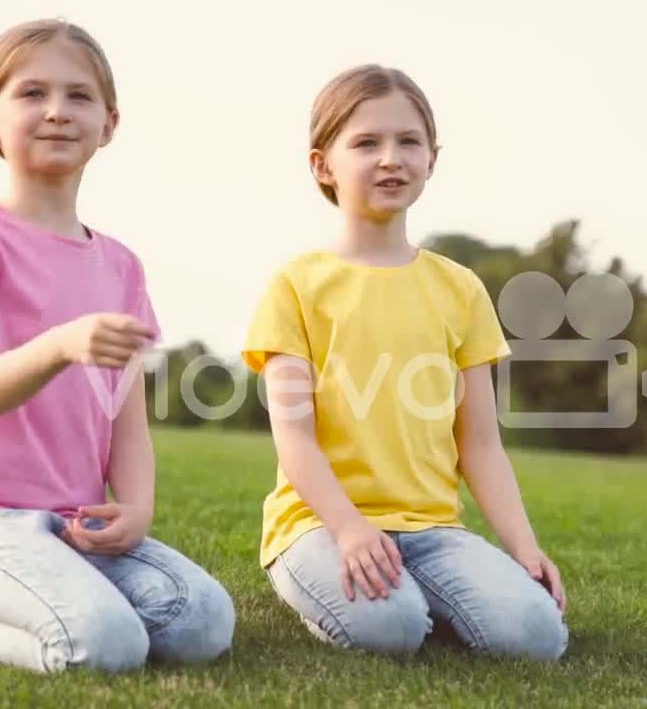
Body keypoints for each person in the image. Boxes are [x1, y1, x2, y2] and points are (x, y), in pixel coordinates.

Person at [0, 18, 235, 673]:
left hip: (74, 523)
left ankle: (40, 589)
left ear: (109, 123)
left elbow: (128, 424)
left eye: (79, 96)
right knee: (107, 645)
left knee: (203, 620)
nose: (57, 111)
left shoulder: (122, 266)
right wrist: (62, 342)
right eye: (32, 94)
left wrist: (136, 510)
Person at [242, 64, 569, 660]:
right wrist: (348, 528)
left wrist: (522, 546)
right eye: (366, 142)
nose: (391, 157)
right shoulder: (296, 284)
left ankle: (421, 595)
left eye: (408, 141)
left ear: (432, 158)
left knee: (537, 637)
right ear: (323, 165)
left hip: (433, 531)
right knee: (389, 631)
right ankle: (373, 602)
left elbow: (481, 446)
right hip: (319, 525)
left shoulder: (461, 288)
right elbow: (295, 440)